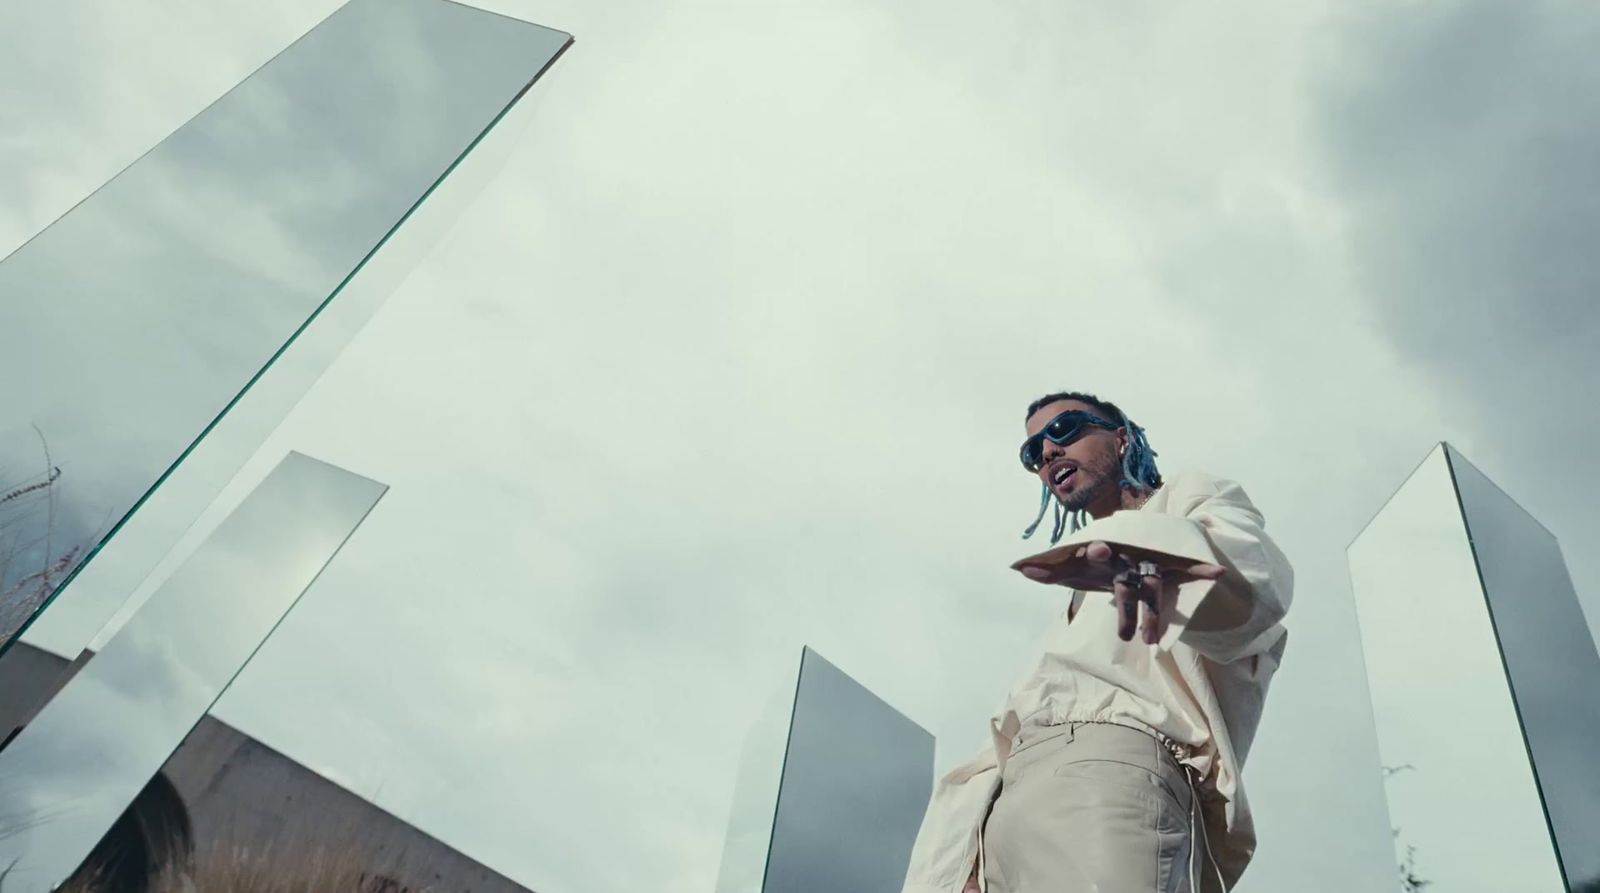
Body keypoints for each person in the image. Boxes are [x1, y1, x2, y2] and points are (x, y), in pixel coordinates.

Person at [900, 391, 1293, 893]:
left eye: (1064, 429)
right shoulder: (1081, 586)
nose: (1046, 453)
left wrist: (1162, 564)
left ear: (1122, 436)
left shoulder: (1185, 501)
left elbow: (1253, 582)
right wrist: (969, 858)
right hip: (998, 815)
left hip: (1103, 778)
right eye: (1032, 452)